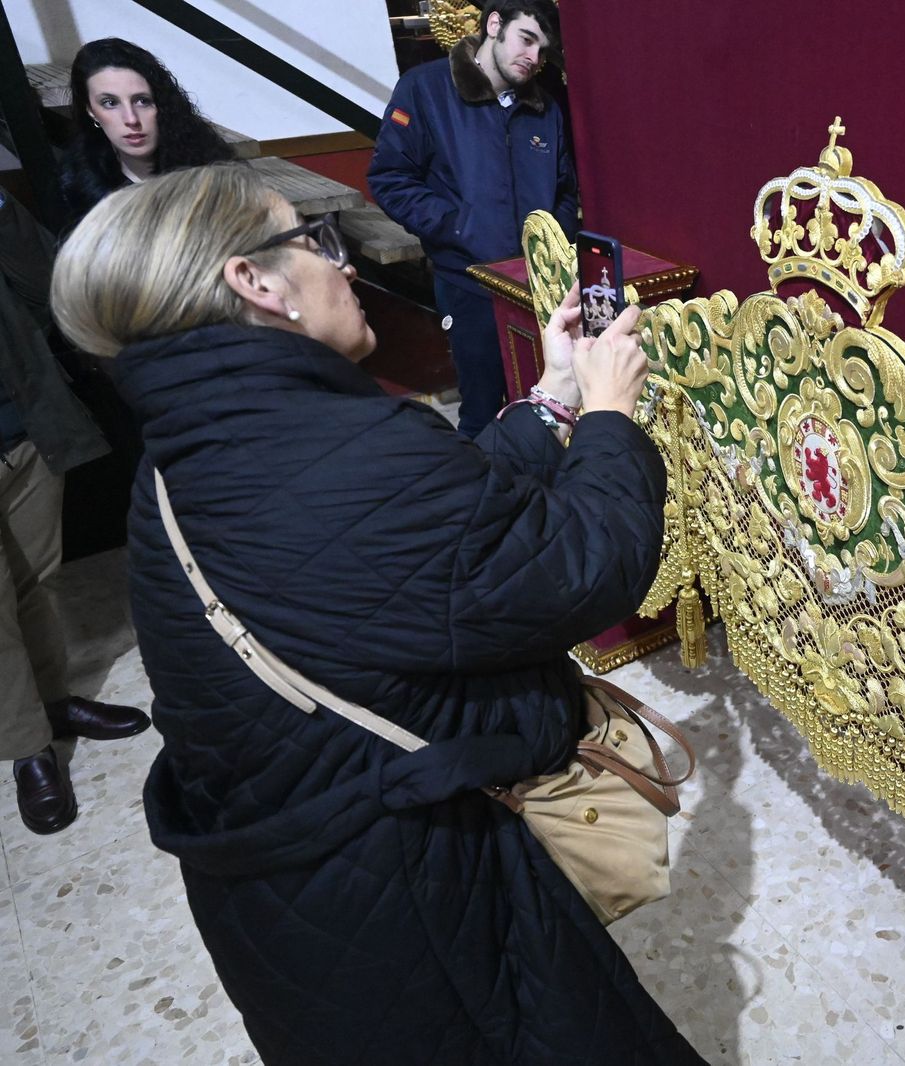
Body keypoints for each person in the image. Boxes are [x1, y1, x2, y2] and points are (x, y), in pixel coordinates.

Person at [51, 165, 701, 1063]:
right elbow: (582, 571)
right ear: (256, 282)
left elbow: (426, 542)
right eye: (312, 242)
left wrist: (549, 398)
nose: (344, 264)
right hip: (411, 901)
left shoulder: (192, 450)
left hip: (291, 896)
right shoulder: (342, 452)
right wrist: (610, 418)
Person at [1, 188, 151, 834]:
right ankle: (28, 749)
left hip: (24, 426)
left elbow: (48, 280)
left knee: (36, 581)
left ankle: (54, 704)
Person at [369, 0, 580, 440]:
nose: (534, 58)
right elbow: (390, 179)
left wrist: (550, 245)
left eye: (543, 50)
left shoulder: (546, 108)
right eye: (526, 40)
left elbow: (565, 191)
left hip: (538, 288)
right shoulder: (425, 90)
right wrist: (459, 227)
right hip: (469, 283)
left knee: (550, 406)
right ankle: (486, 504)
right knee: (483, 412)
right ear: (494, 25)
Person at [59, 37, 234, 225]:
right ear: (91, 112)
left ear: (161, 104)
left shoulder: (211, 173)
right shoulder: (79, 185)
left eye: (142, 100)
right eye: (110, 103)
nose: (131, 119)